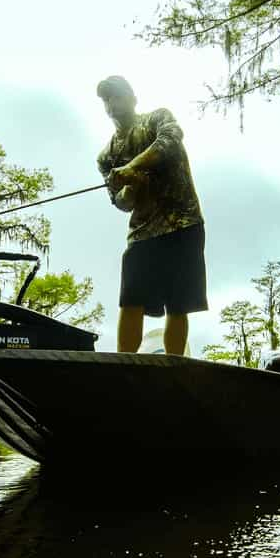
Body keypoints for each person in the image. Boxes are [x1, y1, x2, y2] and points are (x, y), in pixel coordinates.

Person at [95, 75, 207, 355]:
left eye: (117, 95)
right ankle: (124, 365)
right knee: (131, 299)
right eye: (106, 99)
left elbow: (171, 139)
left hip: (183, 221)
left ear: (133, 98)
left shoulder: (157, 118)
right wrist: (130, 188)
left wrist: (133, 165)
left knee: (178, 303)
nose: (112, 103)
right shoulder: (106, 156)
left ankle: (174, 366)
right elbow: (119, 203)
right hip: (143, 231)